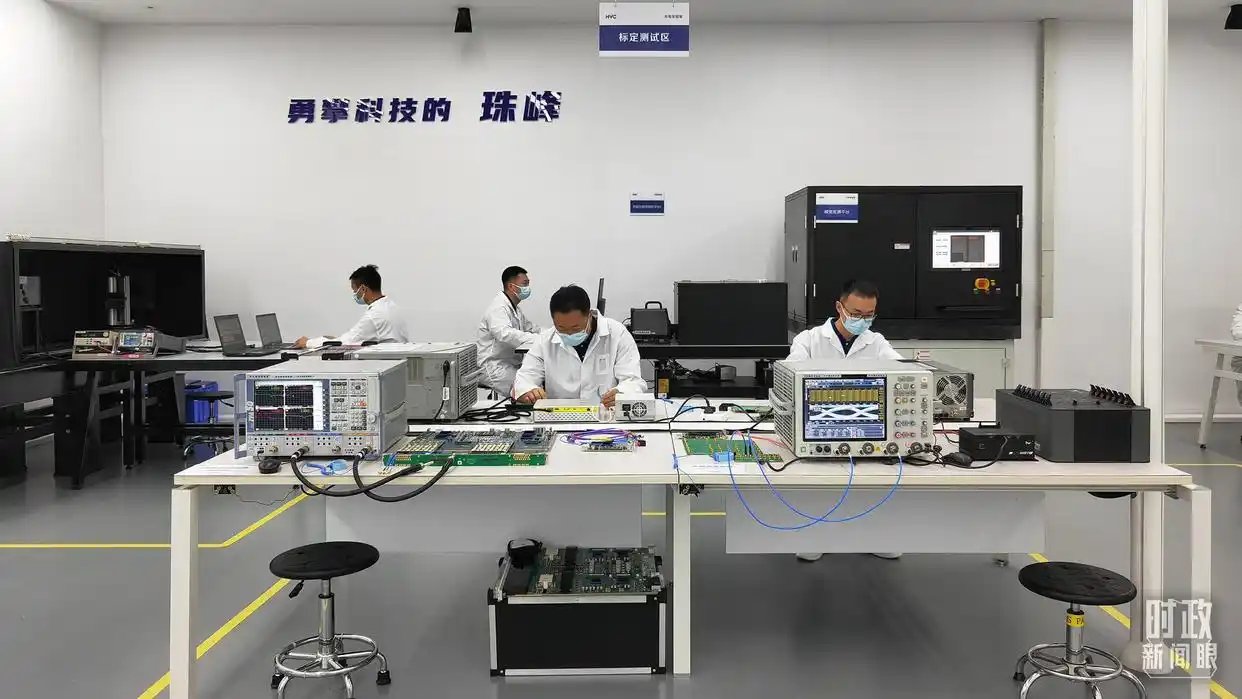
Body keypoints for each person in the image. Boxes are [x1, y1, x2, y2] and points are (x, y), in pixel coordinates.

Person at [788, 279, 904, 562]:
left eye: (869, 315)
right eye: (856, 314)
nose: (862, 321)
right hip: (820, 424)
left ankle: (871, 534)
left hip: (865, 425)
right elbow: (790, 375)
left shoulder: (876, 342)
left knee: (871, 482)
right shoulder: (809, 340)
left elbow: (902, 370)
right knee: (822, 482)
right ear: (839, 307)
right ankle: (817, 533)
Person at [513, 285, 645, 407]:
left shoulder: (617, 334)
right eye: (561, 328)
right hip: (560, 416)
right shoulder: (545, 341)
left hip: (605, 415)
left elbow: (633, 380)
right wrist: (528, 391)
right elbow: (524, 378)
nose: (569, 334)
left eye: (575, 328)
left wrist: (622, 393)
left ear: (589, 315)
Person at [293, 264, 409, 349]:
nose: (355, 295)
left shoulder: (374, 316)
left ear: (363, 289)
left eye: (355, 291)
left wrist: (308, 343)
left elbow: (344, 343)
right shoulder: (391, 307)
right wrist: (331, 339)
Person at [475, 266, 541, 396]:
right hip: (494, 367)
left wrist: (555, 332)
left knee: (538, 379)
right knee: (531, 390)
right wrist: (539, 339)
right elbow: (505, 334)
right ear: (511, 287)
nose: (528, 288)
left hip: (509, 365)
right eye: (525, 284)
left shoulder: (515, 309)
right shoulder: (498, 308)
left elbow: (532, 329)